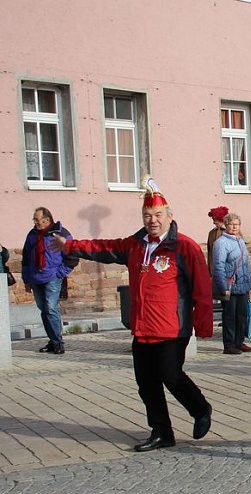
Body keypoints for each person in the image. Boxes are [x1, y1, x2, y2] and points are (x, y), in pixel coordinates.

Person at [53, 176, 213, 451]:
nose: (153, 220)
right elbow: (103, 248)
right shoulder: (135, 245)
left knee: (171, 376)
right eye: (148, 215)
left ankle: (200, 408)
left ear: (170, 216)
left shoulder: (184, 247)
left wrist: (204, 325)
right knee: (146, 384)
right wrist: (70, 245)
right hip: (143, 328)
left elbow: (202, 288)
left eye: (158, 215)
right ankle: (162, 432)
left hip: (172, 328)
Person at [22, 207, 78, 355]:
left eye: (37, 219)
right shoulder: (32, 235)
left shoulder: (61, 233)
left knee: (50, 308)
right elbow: (26, 258)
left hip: (52, 277)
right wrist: (26, 279)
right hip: (36, 278)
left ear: (46, 219)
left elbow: (72, 256)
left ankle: (58, 343)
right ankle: (53, 340)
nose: (35, 222)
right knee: (43, 309)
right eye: (34, 219)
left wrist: (60, 273)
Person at [213, 213, 251, 354]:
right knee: (230, 316)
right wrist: (223, 286)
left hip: (242, 285)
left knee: (242, 315)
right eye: (231, 224)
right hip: (230, 286)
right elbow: (218, 266)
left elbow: (246, 264)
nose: (234, 226)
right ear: (226, 225)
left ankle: (239, 341)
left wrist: (249, 283)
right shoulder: (221, 243)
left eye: (237, 224)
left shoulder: (240, 241)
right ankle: (229, 344)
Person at [206, 206, 229, 276]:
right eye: (213, 219)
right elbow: (209, 253)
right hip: (214, 272)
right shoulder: (211, 233)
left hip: (227, 271)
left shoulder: (231, 232)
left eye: (215, 219)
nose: (213, 222)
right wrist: (210, 271)